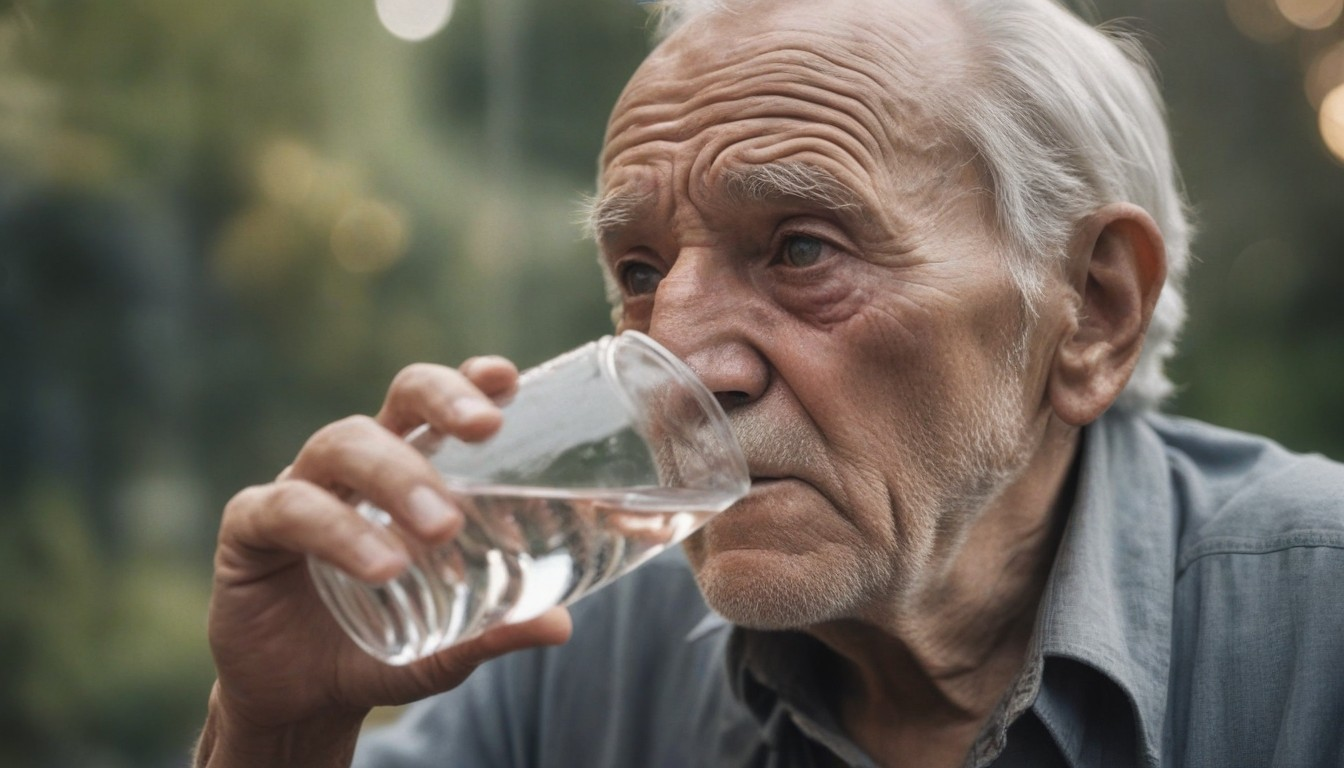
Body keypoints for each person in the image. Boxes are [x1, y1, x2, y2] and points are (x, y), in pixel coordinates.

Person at [193, 0, 1344, 765]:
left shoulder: (1315, 625)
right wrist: (279, 728)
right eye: (638, 270)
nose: (682, 356)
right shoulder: (576, 656)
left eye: (802, 249)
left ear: (1091, 312)